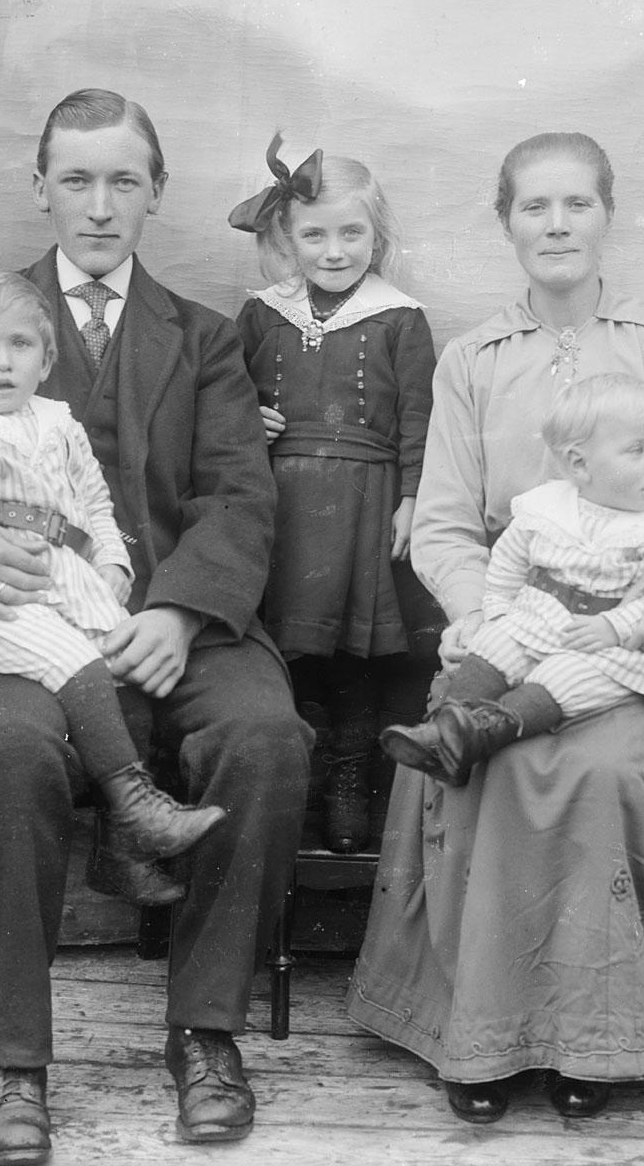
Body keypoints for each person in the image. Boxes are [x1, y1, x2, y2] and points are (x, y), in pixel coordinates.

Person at [0, 89, 313, 1162]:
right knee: (6, 748)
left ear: (156, 194)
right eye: (76, 180)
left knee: (264, 736)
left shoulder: (203, 338)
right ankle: (10, 1059)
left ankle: (205, 1032)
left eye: (123, 181)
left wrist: (181, 609)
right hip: (10, 615)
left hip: (165, 616)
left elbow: (239, 492)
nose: (99, 206)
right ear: (41, 188)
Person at [346, 132, 644, 1125]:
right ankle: (482, 1039)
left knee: (594, 770)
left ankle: (599, 1042)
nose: (558, 224)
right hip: (514, 620)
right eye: (534, 206)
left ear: (607, 213)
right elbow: (445, 524)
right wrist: (481, 618)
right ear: (506, 222)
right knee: (481, 757)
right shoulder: (474, 362)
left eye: (577, 203)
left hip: (638, 645)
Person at [0, 270, 226, 886]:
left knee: (126, 658)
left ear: (46, 359)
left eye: (20, 345)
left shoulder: (57, 421)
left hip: (64, 573)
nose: (2, 363)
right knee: (76, 664)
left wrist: (112, 560)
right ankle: (138, 808)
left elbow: (94, 502)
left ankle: (122, 844)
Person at [229, 135, 440, 852]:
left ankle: (349, 779)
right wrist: (247, 419)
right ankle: (291, 783)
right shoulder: (263, 313)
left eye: (352, 233)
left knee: (352, 654)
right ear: (287, 237)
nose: (333, 250)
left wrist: (411, 499)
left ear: (377, 235)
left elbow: (419, 420)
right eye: (314, 235)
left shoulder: (400, 318)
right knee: (284, 649)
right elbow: (224, 400)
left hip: (364, 505)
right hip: (280, 504)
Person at [382, 373, 644, 785]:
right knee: (495, 645)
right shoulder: (546, 508)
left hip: (618, 646)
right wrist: (499, 613)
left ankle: (483, 735)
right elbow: (508, 562)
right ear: (579, 464)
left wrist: (613, 627)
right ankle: (442, 731)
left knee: (562, 677)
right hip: (545, 621)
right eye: (637, 450)